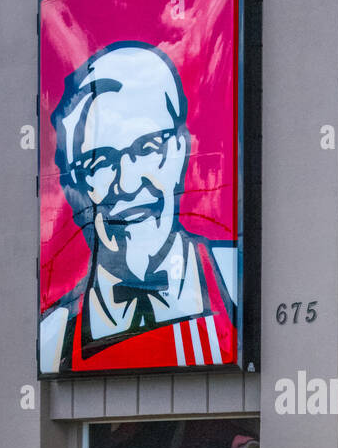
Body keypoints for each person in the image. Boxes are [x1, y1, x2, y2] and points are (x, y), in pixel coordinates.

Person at [39, 41, 237, 373]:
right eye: (100, 161)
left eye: (147, 148)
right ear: (75, 186)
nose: (128, 184)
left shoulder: (235, 287)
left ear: (178, 153)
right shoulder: (52, 338)